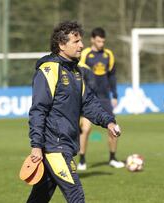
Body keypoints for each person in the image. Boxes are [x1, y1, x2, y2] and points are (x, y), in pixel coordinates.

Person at [27, 21, 121, 203]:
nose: (82, 45)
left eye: (81, 41)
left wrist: (108, 122)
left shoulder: (76, 72)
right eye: (76, 41)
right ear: (62, 45)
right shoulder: (48, 70)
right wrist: (36, 145)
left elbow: (89, 103)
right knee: (76, 196)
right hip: (55, 146)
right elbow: (38, 110)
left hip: (65, 145)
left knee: (39, 198)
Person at [77, 27, 124, 170]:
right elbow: (79, 72)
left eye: (103, 41)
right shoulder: (85, 54)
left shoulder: (108, 55)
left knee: (113, 128)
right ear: (92, 40)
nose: (101, 44)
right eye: (98, 41)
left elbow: (112, 76)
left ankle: (112, 158)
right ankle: (82, 160)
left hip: (105, 97)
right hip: (88, 97)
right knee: (85, 129)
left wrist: (114, 95)